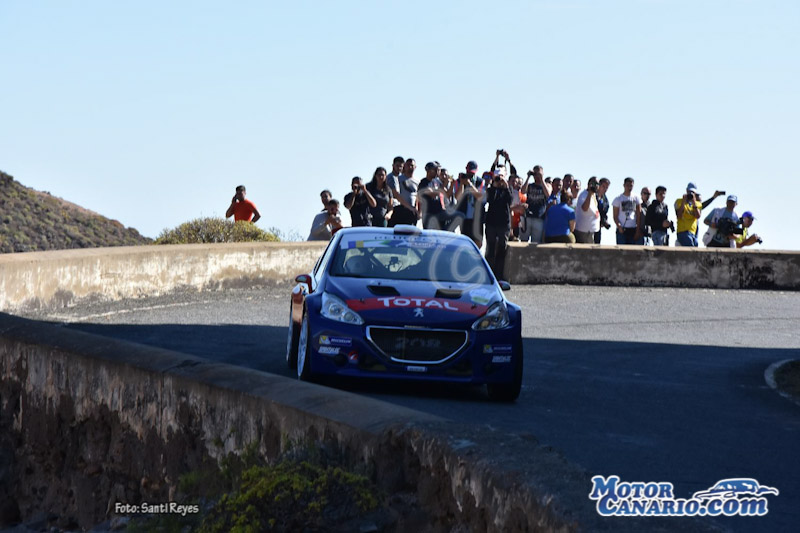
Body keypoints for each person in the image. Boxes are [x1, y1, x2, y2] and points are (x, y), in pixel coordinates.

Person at [484, 169, 513, 281]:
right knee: (490, 249)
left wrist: (505, 186)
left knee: (501, 249)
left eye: (501, 176)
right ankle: (488, 274)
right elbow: (490, 200)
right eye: (497, 176)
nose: (499, 179)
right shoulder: (491, 189)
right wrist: (495, 186)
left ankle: (499, 275)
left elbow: (510, 201)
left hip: (504, 223)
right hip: (492, 222)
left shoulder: (508, 189)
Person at [455, 161, 485, 247]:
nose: (470, 175)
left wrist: (470, 184)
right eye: (469, 173)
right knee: (465, 241)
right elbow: (458, 197)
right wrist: (462, 184)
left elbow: (480, 197)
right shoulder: (459, 181)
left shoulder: (480, 181)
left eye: (472, 174)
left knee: (478, 242)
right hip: (464, 217)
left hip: (476, 217)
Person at [519, 165, 550, 243]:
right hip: (528, 216)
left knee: (536, 242)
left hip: (539, 217)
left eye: (538, 173)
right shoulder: (530, 185)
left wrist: (542, 179)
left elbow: (548, 194)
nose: (537, 176)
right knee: (523, 240)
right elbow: (522, 191)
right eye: (535, 174)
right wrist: (528, 177)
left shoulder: (547, 185)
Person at [388, 158, 419, 227]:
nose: (410, 167)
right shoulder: (397, 178)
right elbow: (396, 194)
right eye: (408, 165)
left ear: (415, 167)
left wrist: (417, 209)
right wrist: (408, 207)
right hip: (400, 209)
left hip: (412, 211)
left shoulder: (417, 181)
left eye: (412, 165)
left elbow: (418, 196)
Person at [612, 177, 642, 245]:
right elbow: (615, 216)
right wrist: (619, 226)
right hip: (622, 229)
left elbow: (638, 214)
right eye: (627, 185)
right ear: (624, 185)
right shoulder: (618, 199)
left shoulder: (636, 198)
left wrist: (637, 230)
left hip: (633, 228)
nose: (629, 187)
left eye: (631, 185)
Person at [418, 162, 445, 229]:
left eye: (437, 170)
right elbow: (432, 194)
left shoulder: (438, 182)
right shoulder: (423, 182)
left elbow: (447, 193)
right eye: (434, 169)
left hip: (439, 212)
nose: (436, 172)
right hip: (428, 214)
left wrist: (451, 184)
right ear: (428, 170)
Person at [674, 182, 702, 246]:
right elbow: (679, 215)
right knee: (690, 248)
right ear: (686, 191)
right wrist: (683, 202)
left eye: (693, 192)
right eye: (689, 192)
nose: (690, 194)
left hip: (693, 232)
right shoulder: (679, 201)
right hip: (683, 231)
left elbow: (698, 216)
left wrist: (694, 203)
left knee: (695, 248)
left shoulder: (698, 204)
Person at [573, 177, 600, 243]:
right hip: (584, 231)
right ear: (589, 184)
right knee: (586, 252)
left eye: (597, 184)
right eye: (594, 183)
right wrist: (589, 194)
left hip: (591, 230)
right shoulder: (584, 195)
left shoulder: (594, 195)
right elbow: (585, 208)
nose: (596, 186)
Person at [594, 178, 611, 244]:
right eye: (603, 186)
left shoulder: (605, 199)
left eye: (607, 187)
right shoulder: (592, 195)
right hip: (589, 225)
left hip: (598, 226)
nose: (605, 189)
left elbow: (604, 212)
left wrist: (604, 221)